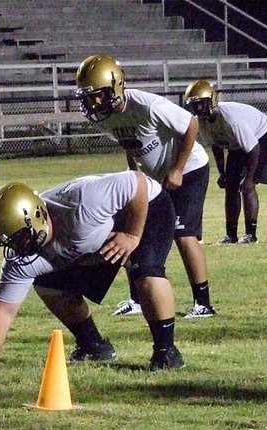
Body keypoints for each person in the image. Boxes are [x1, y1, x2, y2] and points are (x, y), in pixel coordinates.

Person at [0, 171, 184, 380]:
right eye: (10, 241)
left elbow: (137, 183)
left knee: (146, 271)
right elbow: (3, 309)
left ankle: (166, 351)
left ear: (37, 216)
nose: (18, 247)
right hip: (96, 236)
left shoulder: (83, 203)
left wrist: (132, 235)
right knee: (49, 285)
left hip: (145, 206)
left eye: (20, 237)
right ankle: (93, 345)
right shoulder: (21, 257)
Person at [74, 54, 216, 320]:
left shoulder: (147, 106)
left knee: (183, 233)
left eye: (99, 94)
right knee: (132, 230)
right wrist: (134, 174)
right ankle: (138, 299)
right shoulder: (104, 115)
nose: (95, 102)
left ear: (116, 86)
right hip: (154, 177)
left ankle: (203, 303)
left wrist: (177, 169)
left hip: (189, 168)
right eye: (89, 96)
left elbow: (192, 125)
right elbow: (130, 143)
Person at [183, 79, 267, 245]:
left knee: (247, 187)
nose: (198, 108)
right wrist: (222, 173)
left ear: (212, 100)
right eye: (195, 105)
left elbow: (253, 149)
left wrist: (249, 178)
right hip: (237, 143)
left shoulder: (231, 119)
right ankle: (231, 235)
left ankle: (251, 234)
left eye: (201, 103)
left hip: (260, 135)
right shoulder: (201, 122)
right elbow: (216, 145)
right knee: (230, 187)